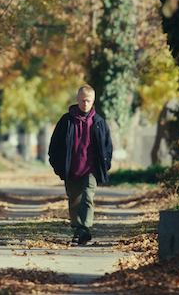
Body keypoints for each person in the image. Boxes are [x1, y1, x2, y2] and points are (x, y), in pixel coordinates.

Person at [47, 85, 113, 245]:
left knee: (88, 198)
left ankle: (85, 228)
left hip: (91, 169)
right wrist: (58, 166)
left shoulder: (99, 122)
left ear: (93, 101)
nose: (85, 103)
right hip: (71, 168)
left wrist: (105, 165)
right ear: (77, 100)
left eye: (88, 100)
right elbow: (54, 146)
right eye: (82, 100)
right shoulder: (66, 121)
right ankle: (77, 229)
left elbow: (107, 147)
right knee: (74, 200)